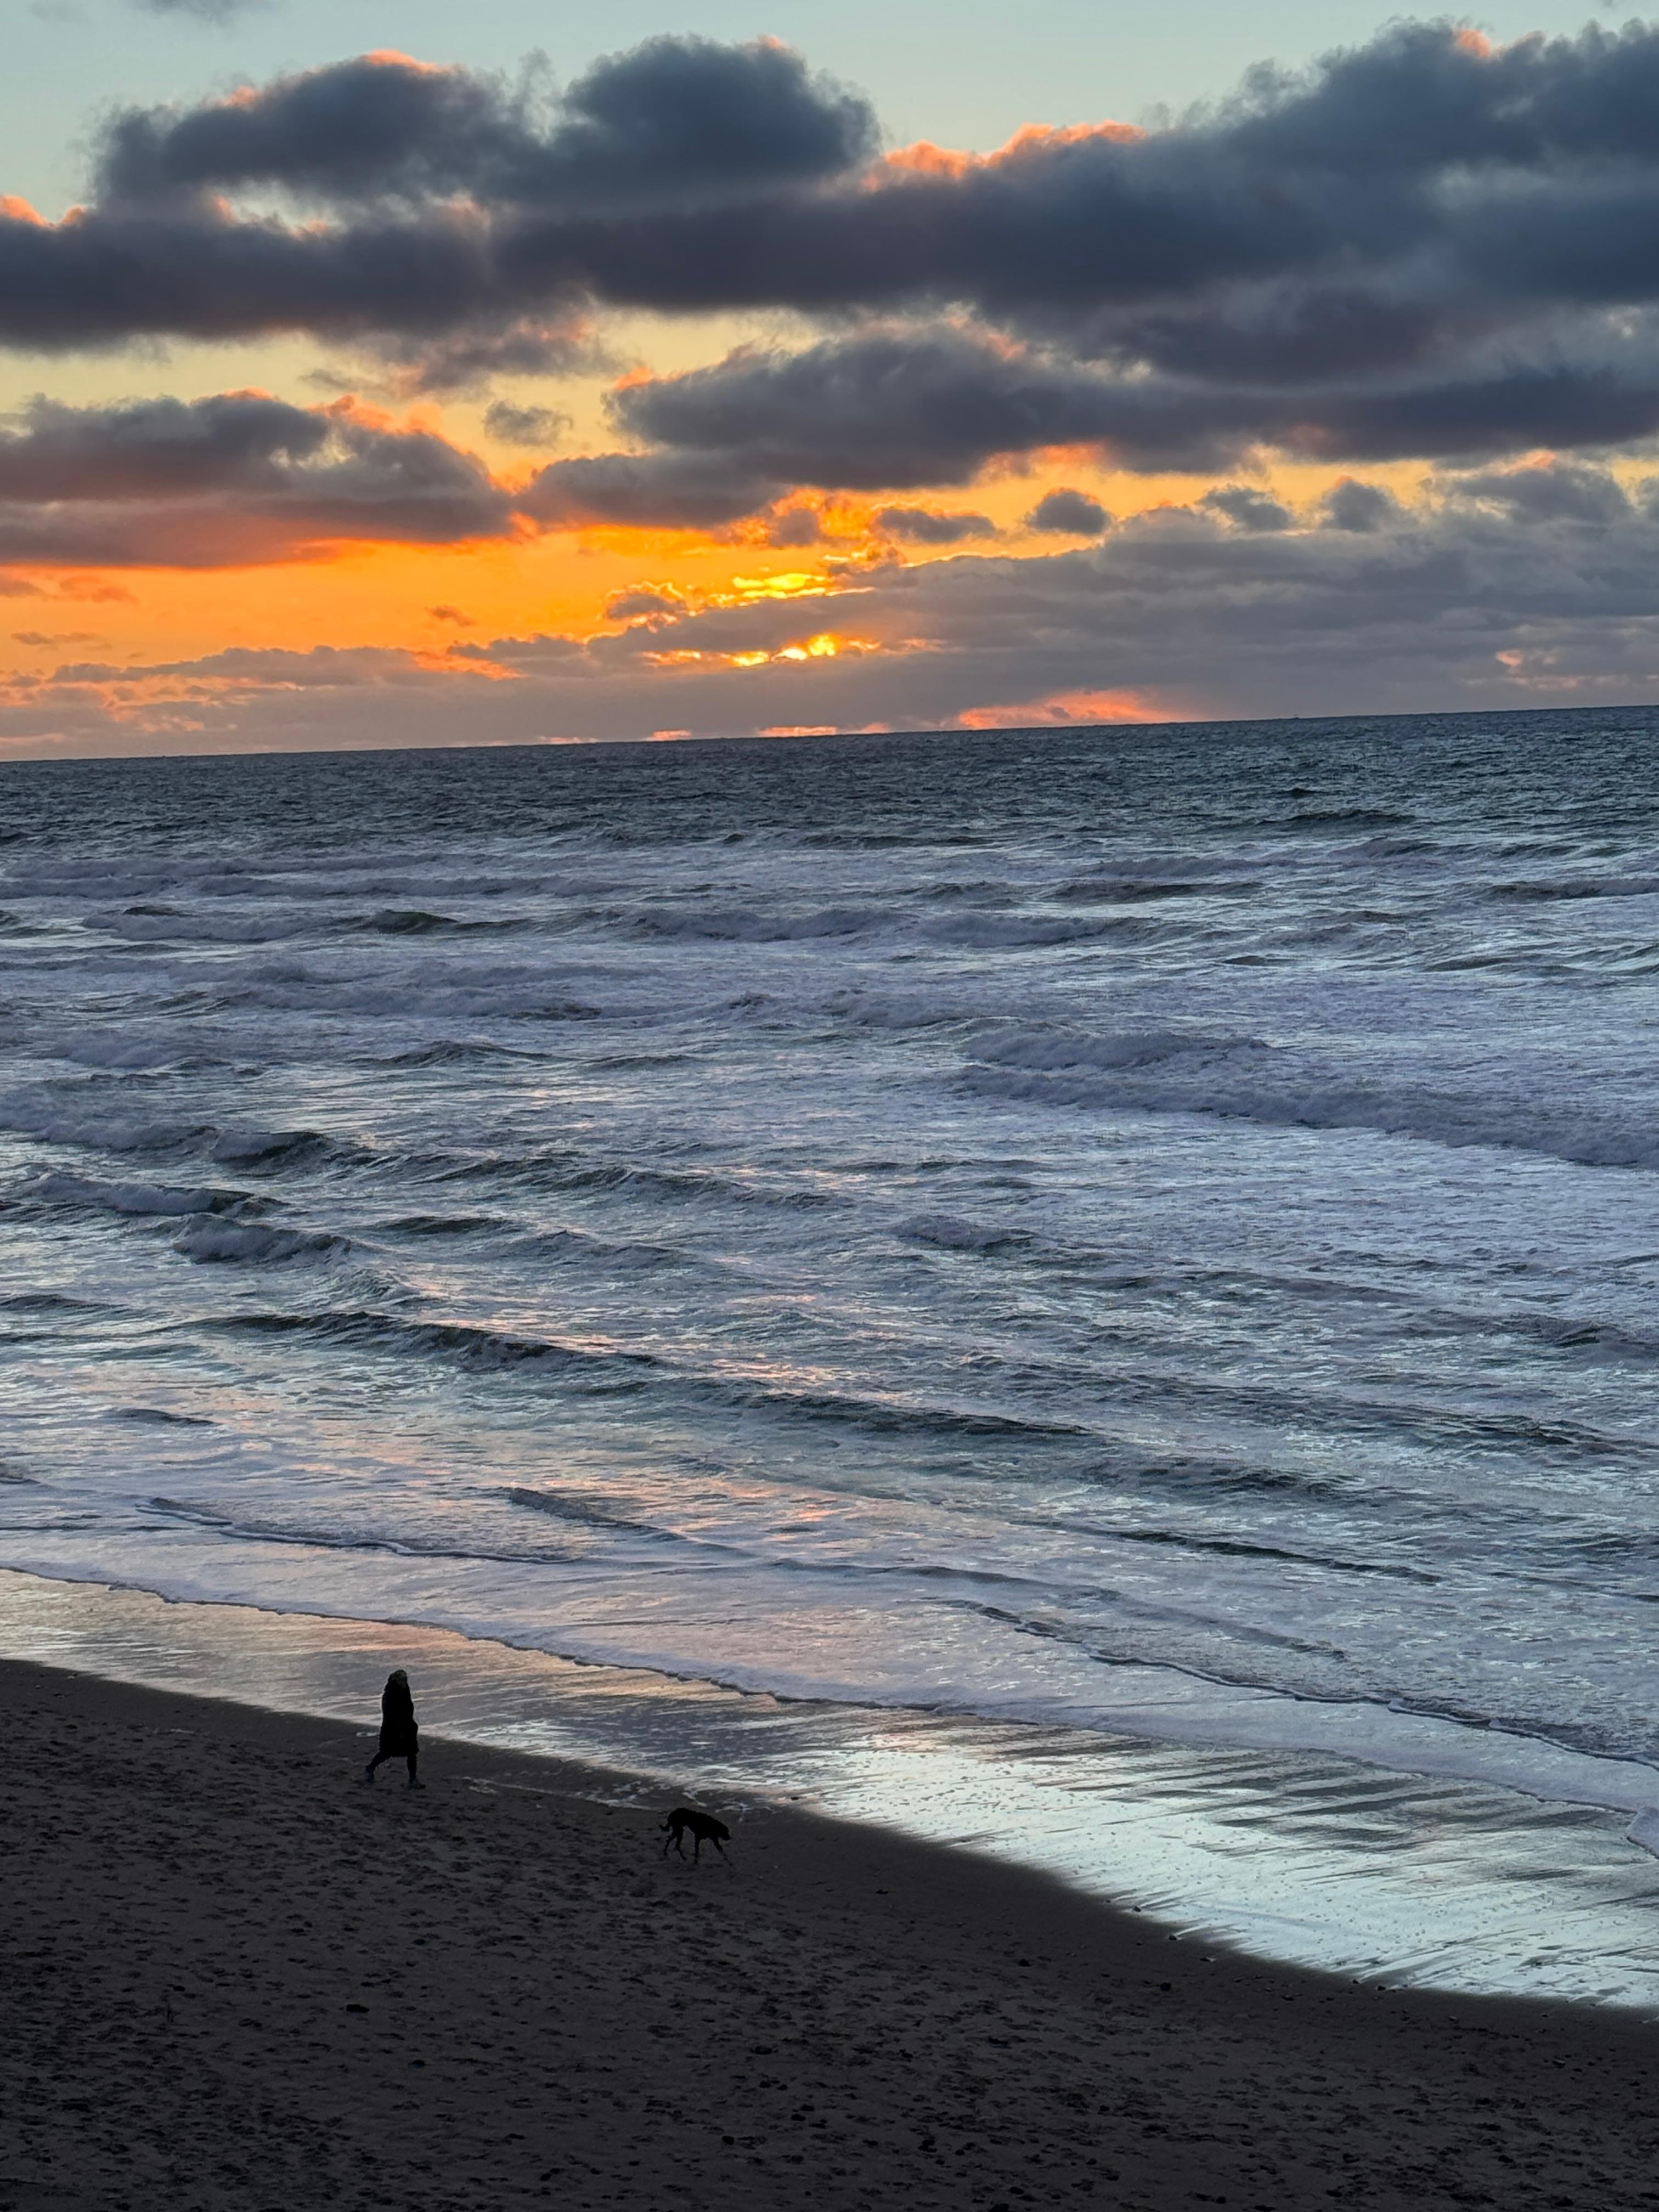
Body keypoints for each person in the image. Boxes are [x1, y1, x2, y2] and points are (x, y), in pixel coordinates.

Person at [363, 1668, 424, 1788]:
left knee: (412, 1753)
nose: (403, 1682)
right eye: (401, 1680)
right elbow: (389, 1714)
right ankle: (370, 1768)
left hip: (407, 1726)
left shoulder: (405, 1690)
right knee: (386, 1753)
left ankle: (413, 1779)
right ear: (396, 1680)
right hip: (392, 1728)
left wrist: (412, 1724)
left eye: (405, 1679)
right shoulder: (389, 1694)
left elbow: (409, 1708)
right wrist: (398, 1728)